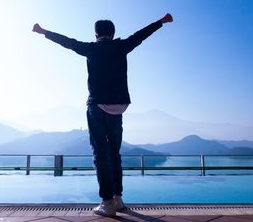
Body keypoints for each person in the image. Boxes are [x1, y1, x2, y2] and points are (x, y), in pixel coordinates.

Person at [32, 13, 173, 217]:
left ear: (96, 33)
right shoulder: (122, 46)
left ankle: (107, 203)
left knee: (100, 154)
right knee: (115, 154)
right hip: (118, 107)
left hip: (97, 106)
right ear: (113, 33)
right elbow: (142, 34)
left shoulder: (91, 48)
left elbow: (67, 42)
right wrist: (161, 21)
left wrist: (43, 31)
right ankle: (118, 199)